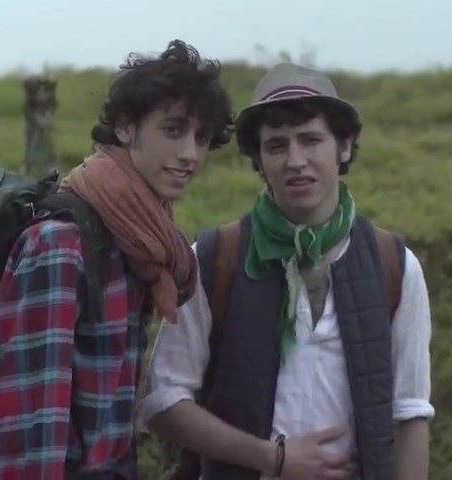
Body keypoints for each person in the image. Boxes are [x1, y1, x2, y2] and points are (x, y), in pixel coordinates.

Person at [138, 62, 434, 480]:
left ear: (343, 147)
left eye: (311, 140)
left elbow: (410, 413)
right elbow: (164, 403)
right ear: (259, 159)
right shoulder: (213, 257)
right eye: (277, 146)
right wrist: (271, 457)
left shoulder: (394, 264)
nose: (296, 160)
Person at [0, 39, 234, 480]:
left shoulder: (143, 244)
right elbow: (29, 422)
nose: (190, 154)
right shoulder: (62, 245)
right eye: (173, 131)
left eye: (201, 138)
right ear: (125, 128)